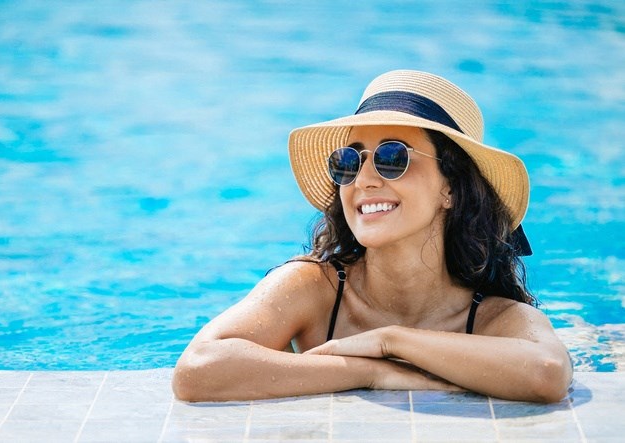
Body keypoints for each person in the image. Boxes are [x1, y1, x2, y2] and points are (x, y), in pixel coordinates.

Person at [172, 70, 572, 403]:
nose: (363, 180)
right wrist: (370, 372)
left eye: (393, 157)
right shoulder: (316, 288)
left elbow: (547, 373)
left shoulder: (492, 318)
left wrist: (391, 341)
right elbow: (198, 369)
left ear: (450, 187)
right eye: (349, 161)